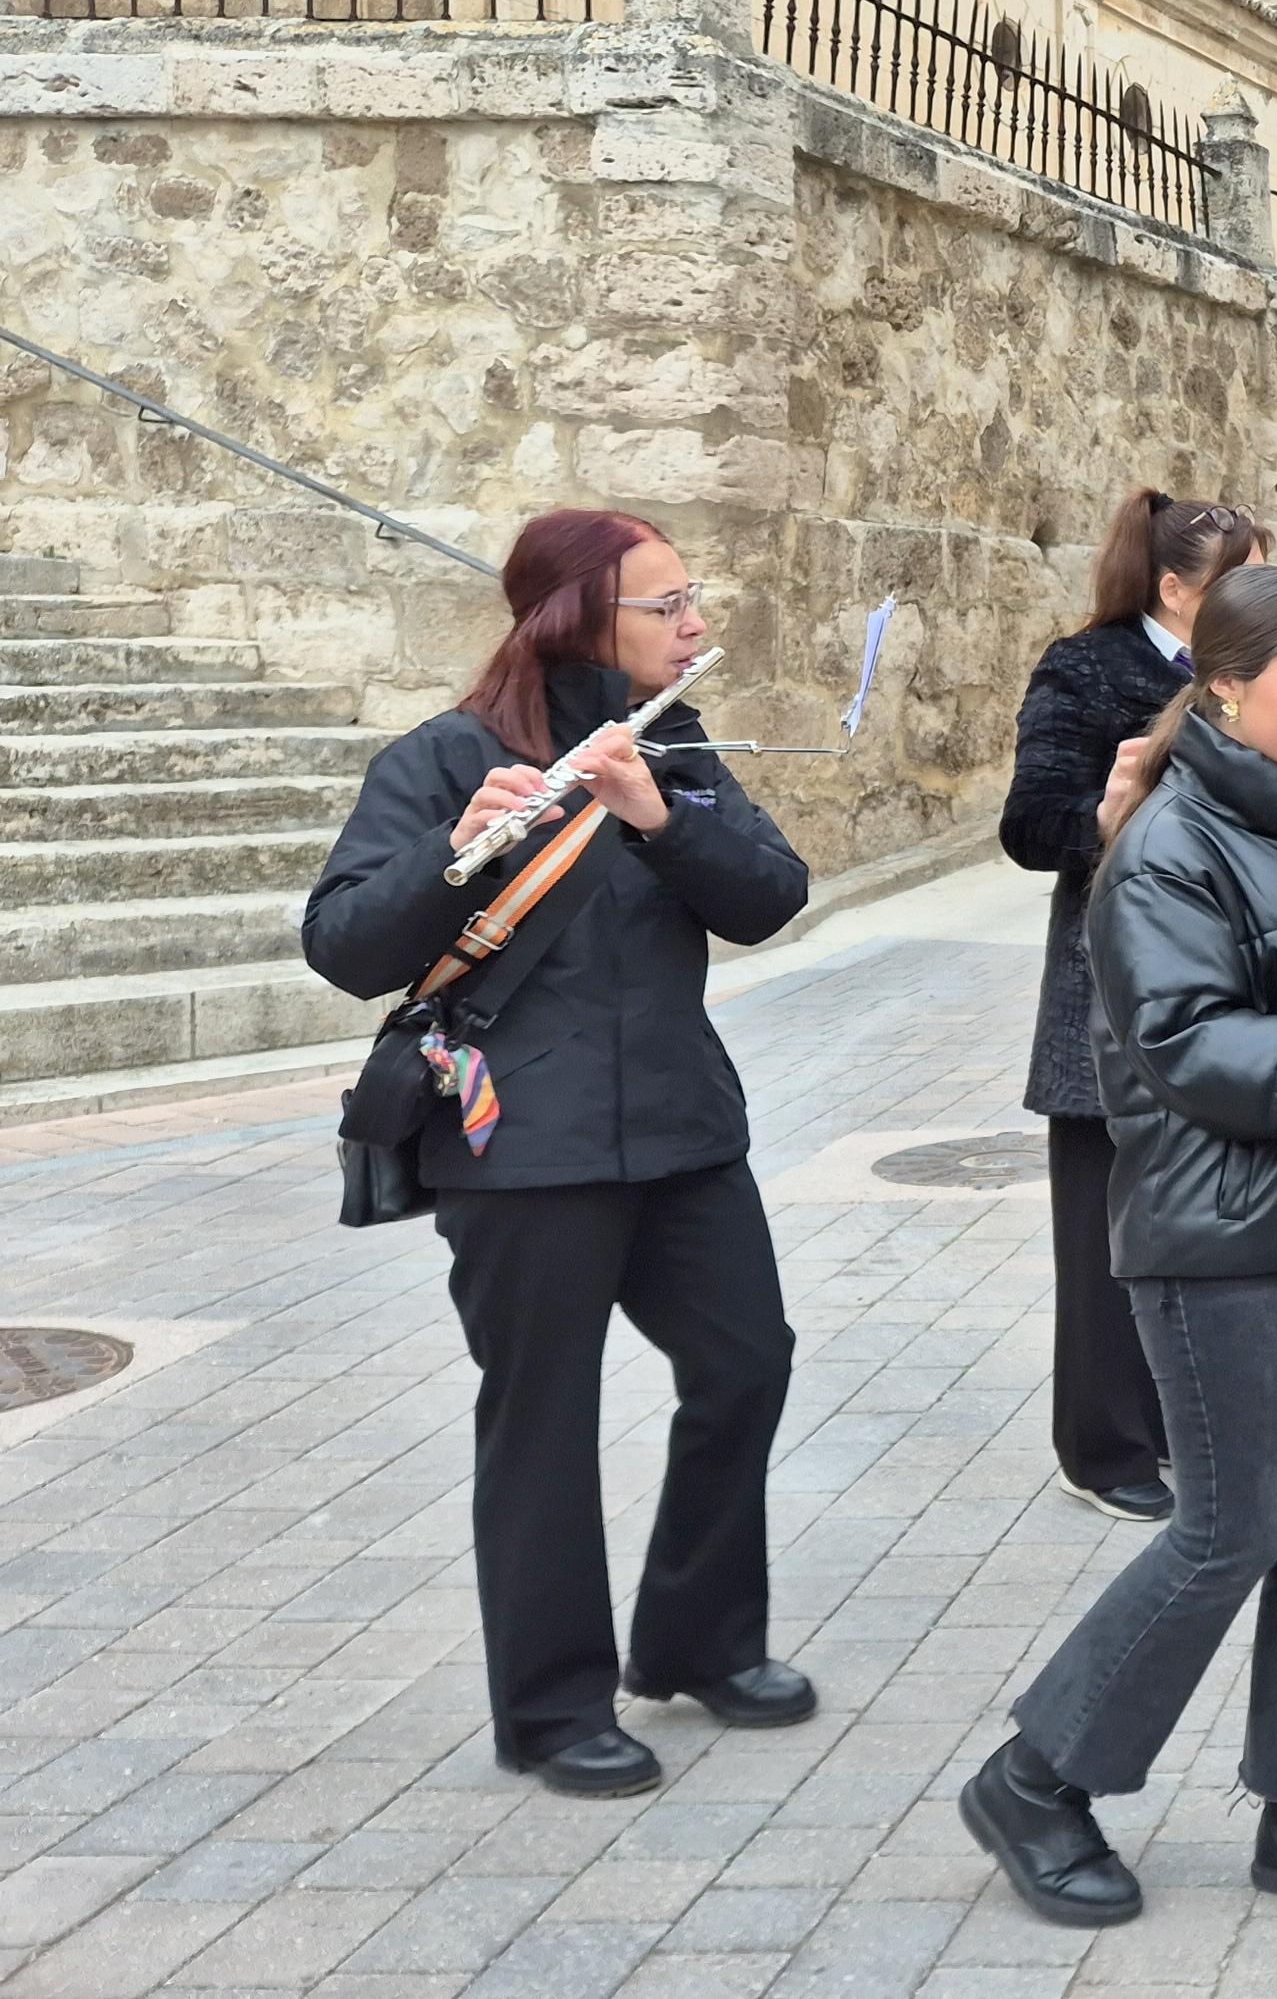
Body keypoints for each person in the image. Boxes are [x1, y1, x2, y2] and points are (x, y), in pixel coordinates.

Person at [959, 566, 1277, 1929]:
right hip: (1229, 1236)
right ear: (1227, 688)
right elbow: (1207, 1059)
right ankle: (1038, 1777)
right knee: (1232, 1528)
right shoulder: (1163, 853)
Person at [303, 509, 815, 1799]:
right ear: (577, 617)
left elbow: (770, 896)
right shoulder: (439, 756)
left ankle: (697, 1639)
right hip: (520, 1144)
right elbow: (346, 944)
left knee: (747, 1361)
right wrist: (450, 852)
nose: (695, 622)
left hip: (685, 1133)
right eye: (668, 602)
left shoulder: (673, 742)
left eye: (692, 597)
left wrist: (662, 819)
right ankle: (550, 1706)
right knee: (541, 1420)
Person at [998, 489, 1265, 1523]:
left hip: (1228, 980)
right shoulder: (1088, 667)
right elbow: (1031, 824)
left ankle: (1186, 1422)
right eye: (1234, 580)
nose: (1256, 598)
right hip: (1110, 984)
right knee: (1105, 1231)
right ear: (1172, 588)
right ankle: (1101, 1444)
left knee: (1202, 1219)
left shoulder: (1253, 671)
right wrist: (1112, 813)